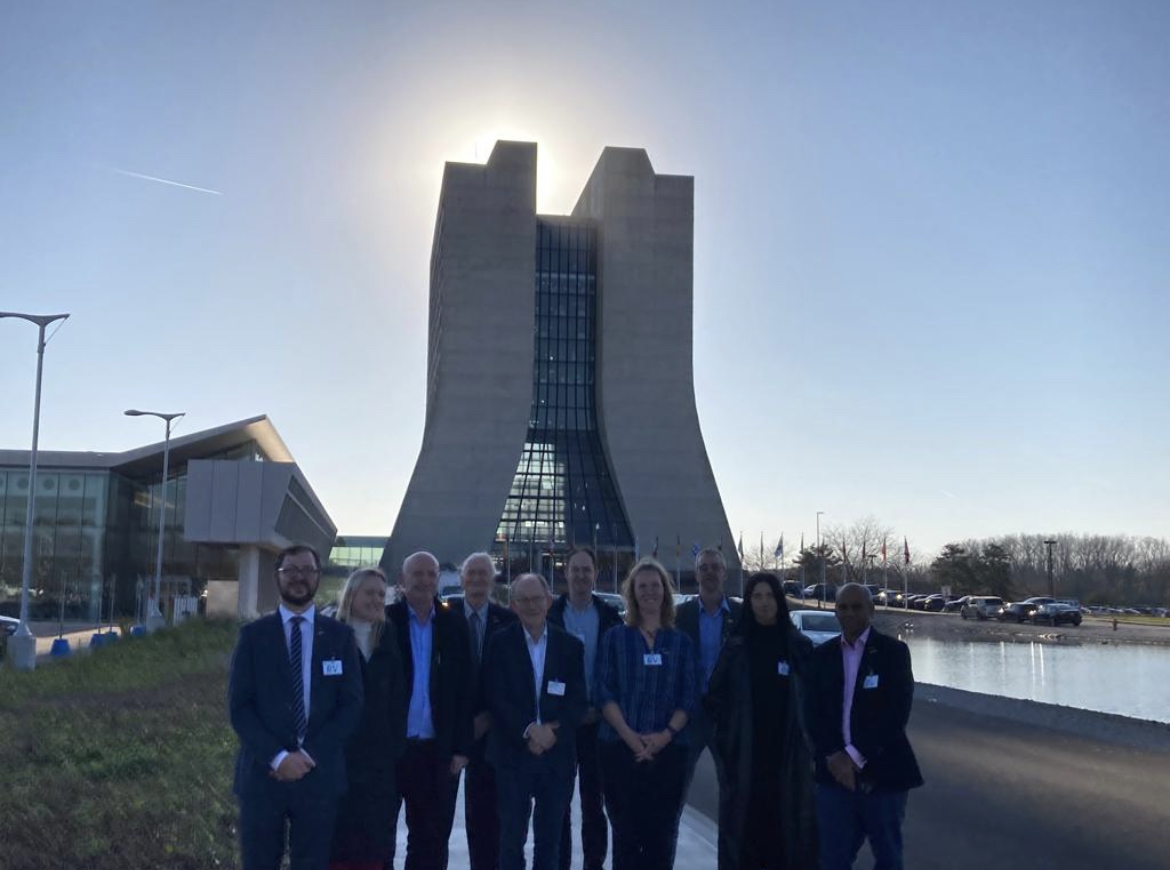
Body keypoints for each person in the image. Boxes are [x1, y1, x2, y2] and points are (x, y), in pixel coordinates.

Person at [228, 544, 364, 870]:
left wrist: (307, 756)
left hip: (319, 776)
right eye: (291, 570)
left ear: (318, 577)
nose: (299, 578)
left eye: (307, 570)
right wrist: (278, 757)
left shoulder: (340, 637)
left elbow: (351, 705)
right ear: (278, 577)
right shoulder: (252, 636)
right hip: (264, 776)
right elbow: (239, 708)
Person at [804, 583, 924, 870]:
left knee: (888, 857)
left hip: (883, 776)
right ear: (835, 612)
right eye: (843, 607)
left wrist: (855, 757)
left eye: (857, 607)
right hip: (833, 776)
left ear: (871, 610)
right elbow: (811, 712)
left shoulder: (893, 653)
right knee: (832, 859)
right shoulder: (822, 657)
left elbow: (896, 714)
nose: (849, 613)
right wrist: (834, 755)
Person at [705, 572, 818, 870]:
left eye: (769, 596)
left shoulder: (799, 647)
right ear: (749, 602)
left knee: (788, 838)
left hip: (788, 759)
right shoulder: (736, 647)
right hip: (745, 759)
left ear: (779, 601)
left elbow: (815, 702)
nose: (764, 603)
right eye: (757, 596)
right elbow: (713, 699)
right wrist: (724, 746)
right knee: (745, 839)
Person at [595, 557, 697, 870]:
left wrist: (664, 736)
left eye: (656, 586)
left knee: (661, 839)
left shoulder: (680, 642)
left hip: (668, 754)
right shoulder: (615, 638)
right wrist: (631, 738)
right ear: (633, 593)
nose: (650, 592)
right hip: (620, 751)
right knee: (625, 837)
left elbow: (689, 696)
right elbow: (603, 691)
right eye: (643, 587)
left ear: (665, 592)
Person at [483, 573, 587, 870]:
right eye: (523, 600)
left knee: (550, 842)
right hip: (513, 755)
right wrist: (529, 730)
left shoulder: (569, 646)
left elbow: (578, 700)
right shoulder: (499, 643)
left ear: (548, 601)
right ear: (513, 605)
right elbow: (495, 695)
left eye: (536, 599)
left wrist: (553, 734)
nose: (531, 605)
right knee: (511, 840)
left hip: (556, 758)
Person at [386, 551, 475, 870]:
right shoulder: (386, 621)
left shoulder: (453, 623)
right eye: (417, 574)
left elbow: (467, 689)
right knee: (381, 838)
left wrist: (462, 748)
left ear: (438, 580)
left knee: (431, 841)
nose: (424, 581)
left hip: (436, 753)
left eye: (430, 574)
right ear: (402, 580)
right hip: (391, 751)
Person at [547, 546, 623, 870]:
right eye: (575, 569)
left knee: (595, 803)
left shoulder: (609, 617)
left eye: (586, 570)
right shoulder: (551, 615)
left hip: (597, 723)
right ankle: (560, 862)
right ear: (567, 573)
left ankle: (594, 863)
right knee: (559, 802)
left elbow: (619, 668)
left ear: (595, 574)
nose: (580, 575)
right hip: (562, 725)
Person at [329, 567, 408, 870]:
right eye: (369, 593)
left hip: (379, 764)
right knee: (340, 843)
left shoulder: (388, 637)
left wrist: (396, 749)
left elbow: (398, 698)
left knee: (376, 845)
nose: (376, 599)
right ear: (352, 595)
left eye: (381, 593)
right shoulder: (331, 635)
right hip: (340, 759)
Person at [455, 552, 519, 870]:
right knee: (433, 816)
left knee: (486, 815)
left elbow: (512, 678)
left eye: (484, 574)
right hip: (451, 728)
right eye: (472, 574)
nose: (478, 579)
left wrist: (491, 715)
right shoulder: (446, 615)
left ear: (493, 580)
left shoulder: (507, 620)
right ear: (462, 579)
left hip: (493, 730)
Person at [675, 548, 743, 797]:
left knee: (732, 786)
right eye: (704, 567)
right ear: (696, 574)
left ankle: (732, 836)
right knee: (679, 784)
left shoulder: (741, 616)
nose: (710, 572)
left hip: (727, 712)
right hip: (692, 711)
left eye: (715, 567)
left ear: (724, 573)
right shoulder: (681, 616)